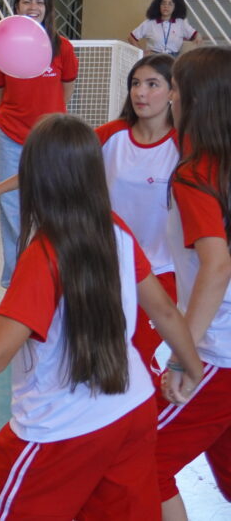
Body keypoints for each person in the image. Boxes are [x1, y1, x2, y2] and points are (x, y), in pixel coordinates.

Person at [0, 113, 204, 520]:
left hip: (60, 429)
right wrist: (189, 365)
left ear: (36, 178)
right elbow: (164, 310)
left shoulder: (44, 257)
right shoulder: (114, 229)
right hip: (131, 410)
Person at [0, 54, 181, 385]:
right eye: (136, 83)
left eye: (153, 84)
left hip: (162, 273)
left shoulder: (185, 147)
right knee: (99, 369)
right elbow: (51, 163)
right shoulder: (111, 136)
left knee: (150, 370)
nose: (141, 92)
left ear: (172, 92)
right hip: (105, 269)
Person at [154, 47, 231, 520]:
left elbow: (217, 266)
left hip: (218, 352)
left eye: (175, 90)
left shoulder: (196, 173)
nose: (170, 100)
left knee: (142, 459)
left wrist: (186, 355)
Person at [0, 0, 78, 288]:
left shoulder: (62, 47)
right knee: (12, 208)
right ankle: (17, 280)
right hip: (11, 137)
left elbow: (65, 90)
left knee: (53, 208)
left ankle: (52, 276)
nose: (33, 7)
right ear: (16, 6)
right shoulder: (1, 45)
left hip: (51, 141)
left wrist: (48, 120)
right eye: (27, 1)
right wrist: (15, 117)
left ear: (48, 8)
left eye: (39, 2)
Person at [128, 0, 202, 55]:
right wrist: (142, 52)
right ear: (158, 6)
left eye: (170, 4)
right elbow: (131, 38)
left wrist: (198, 37)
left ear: (175, 7)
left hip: (173, 59)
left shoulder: (181, 23)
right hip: (154, 58)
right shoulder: (149, 23)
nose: (166, 6)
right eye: (163, 3)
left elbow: (195, 35)